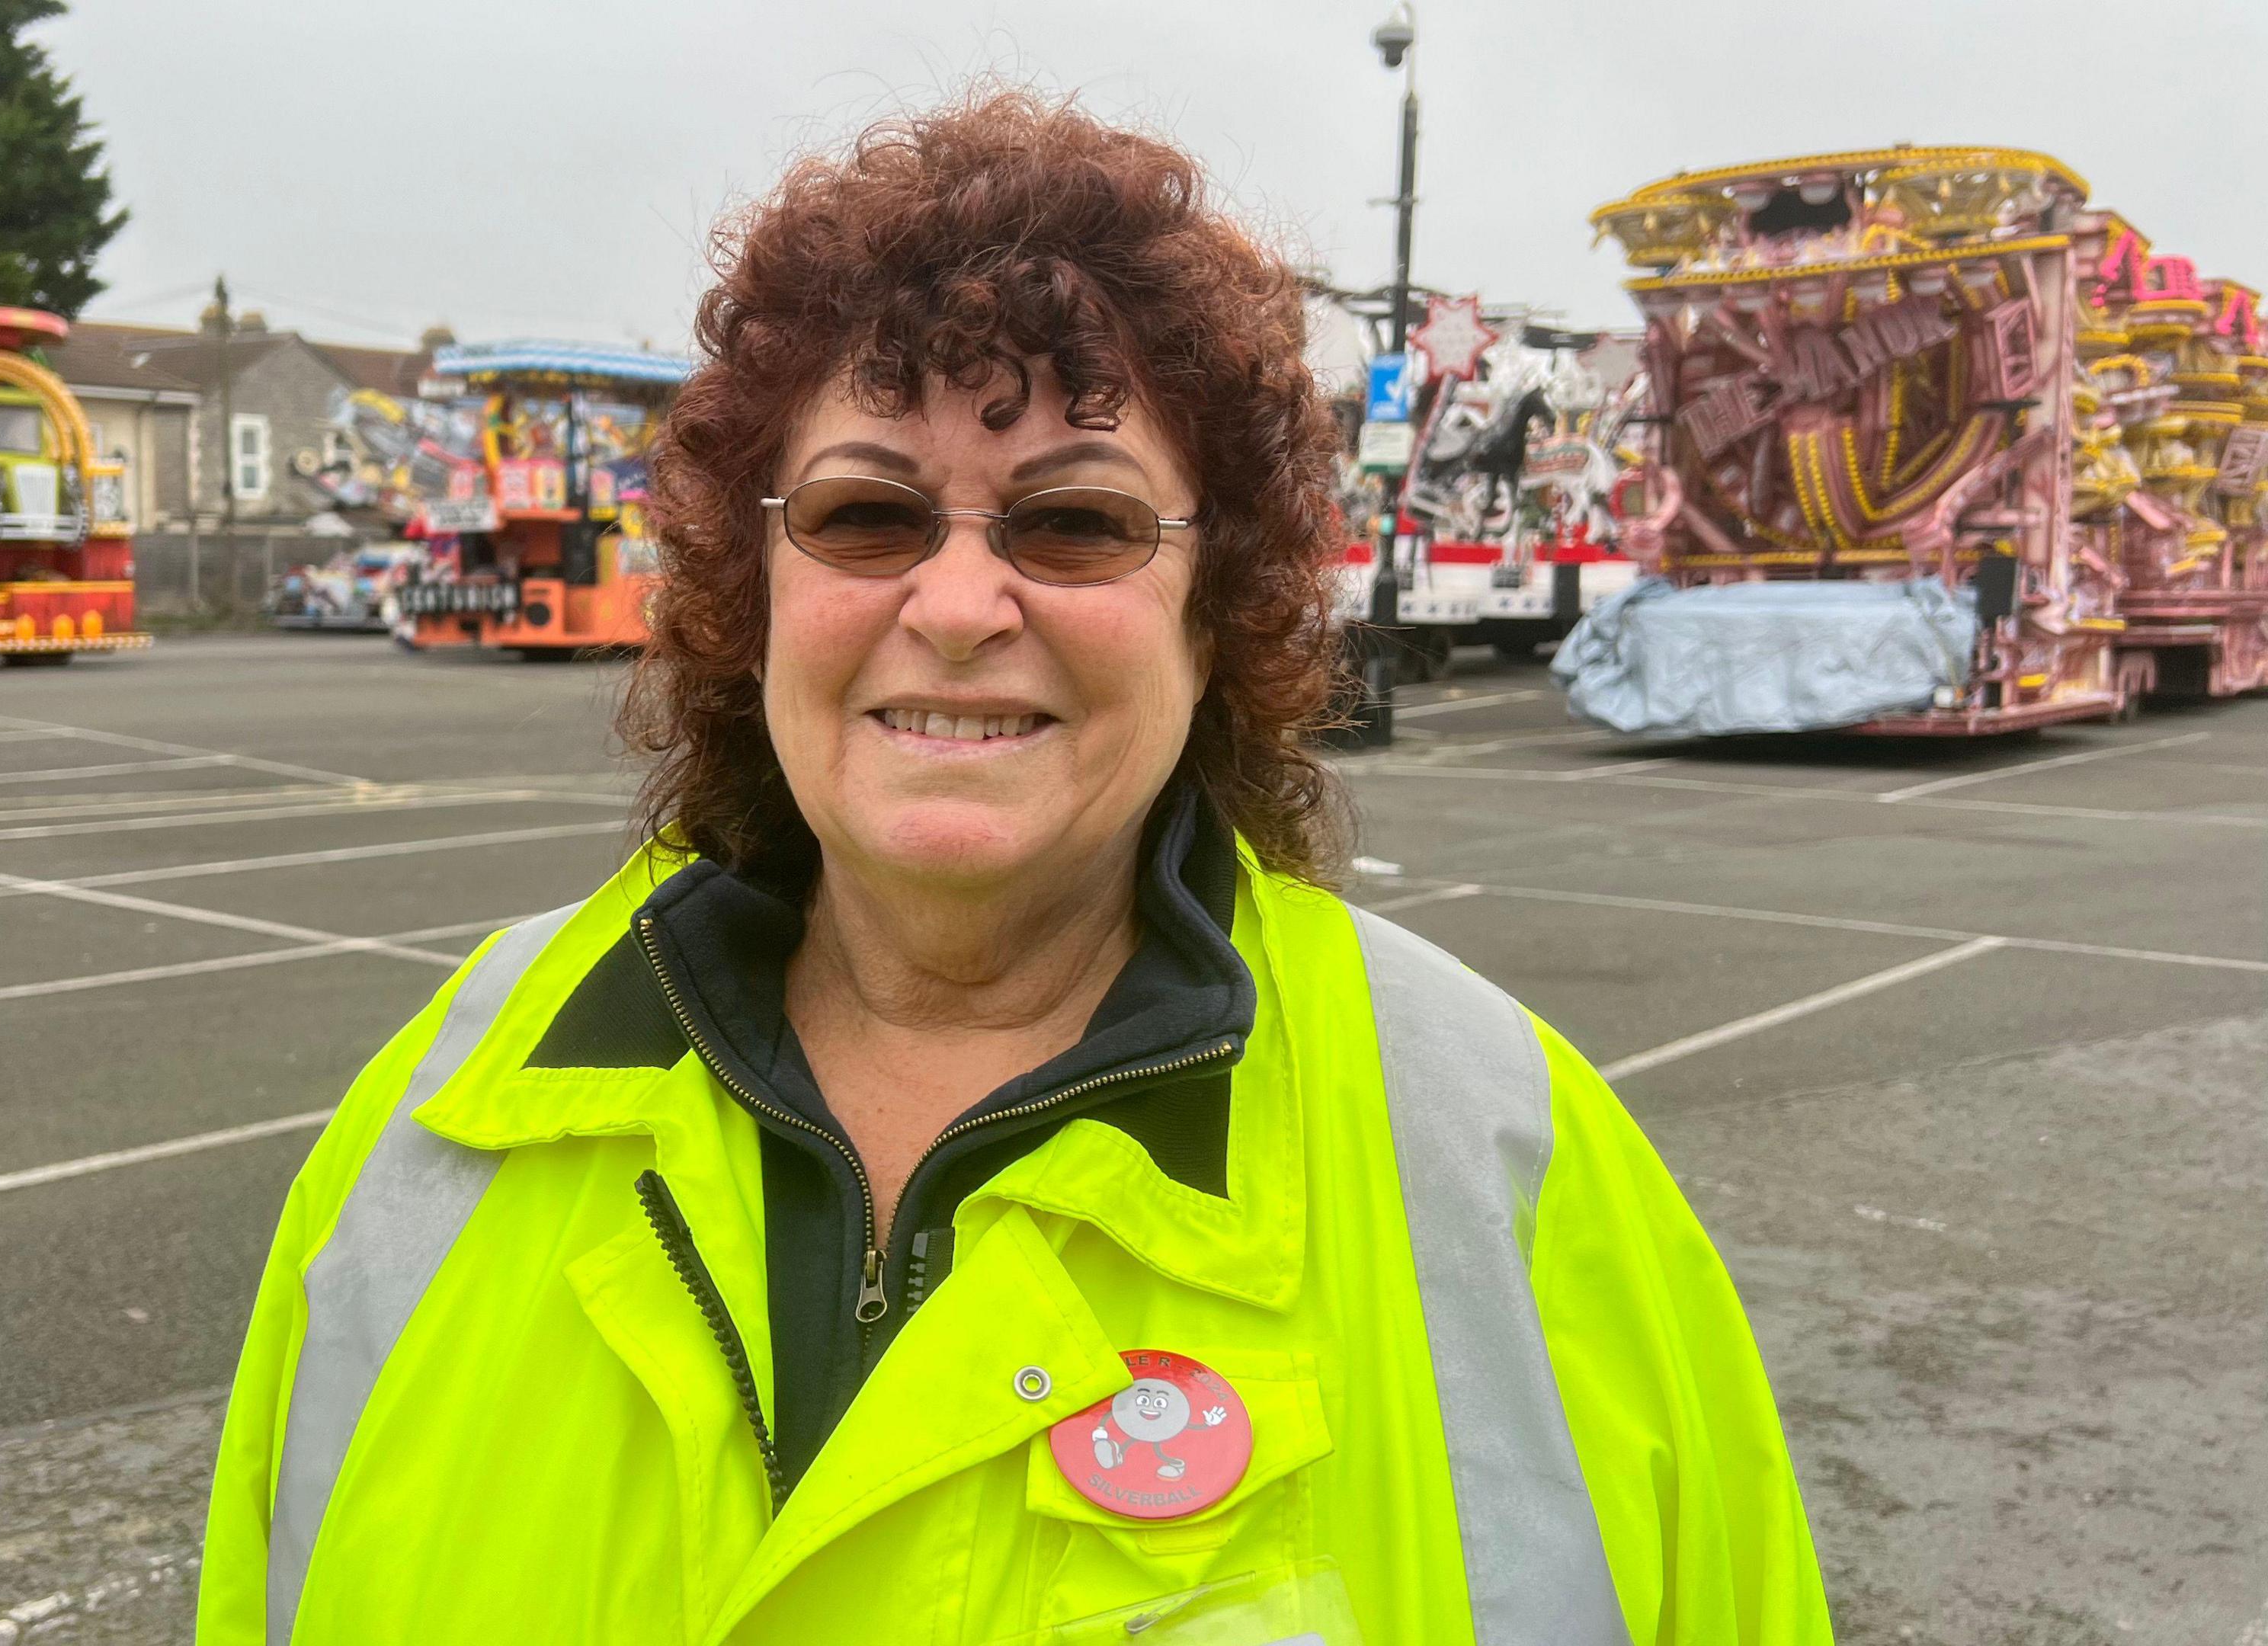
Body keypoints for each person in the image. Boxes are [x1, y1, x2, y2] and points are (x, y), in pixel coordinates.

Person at [200, 91, 1831, 1644]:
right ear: (751, 585)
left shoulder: (1508, 1165)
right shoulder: (440, 1115)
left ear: (1219, 612)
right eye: (864, 516)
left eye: (1073, 526)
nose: (964, 605)